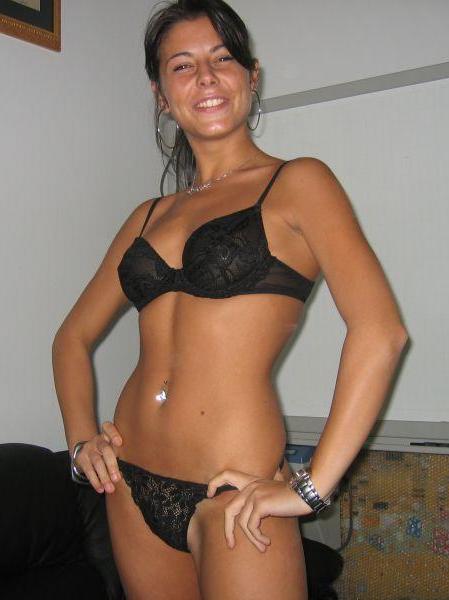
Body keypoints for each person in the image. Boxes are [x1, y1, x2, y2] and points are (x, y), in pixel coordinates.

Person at [52, 1, 408, 598]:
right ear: (161, 95)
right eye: (182, 65)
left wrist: (312, 487)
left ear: (251, 76)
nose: (206, 78)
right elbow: (71, 337)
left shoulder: (298, 183)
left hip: (233, 491)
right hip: (131, 482)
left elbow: (381, 332)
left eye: (222, 60)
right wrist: (81, 439)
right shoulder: (146, 216)